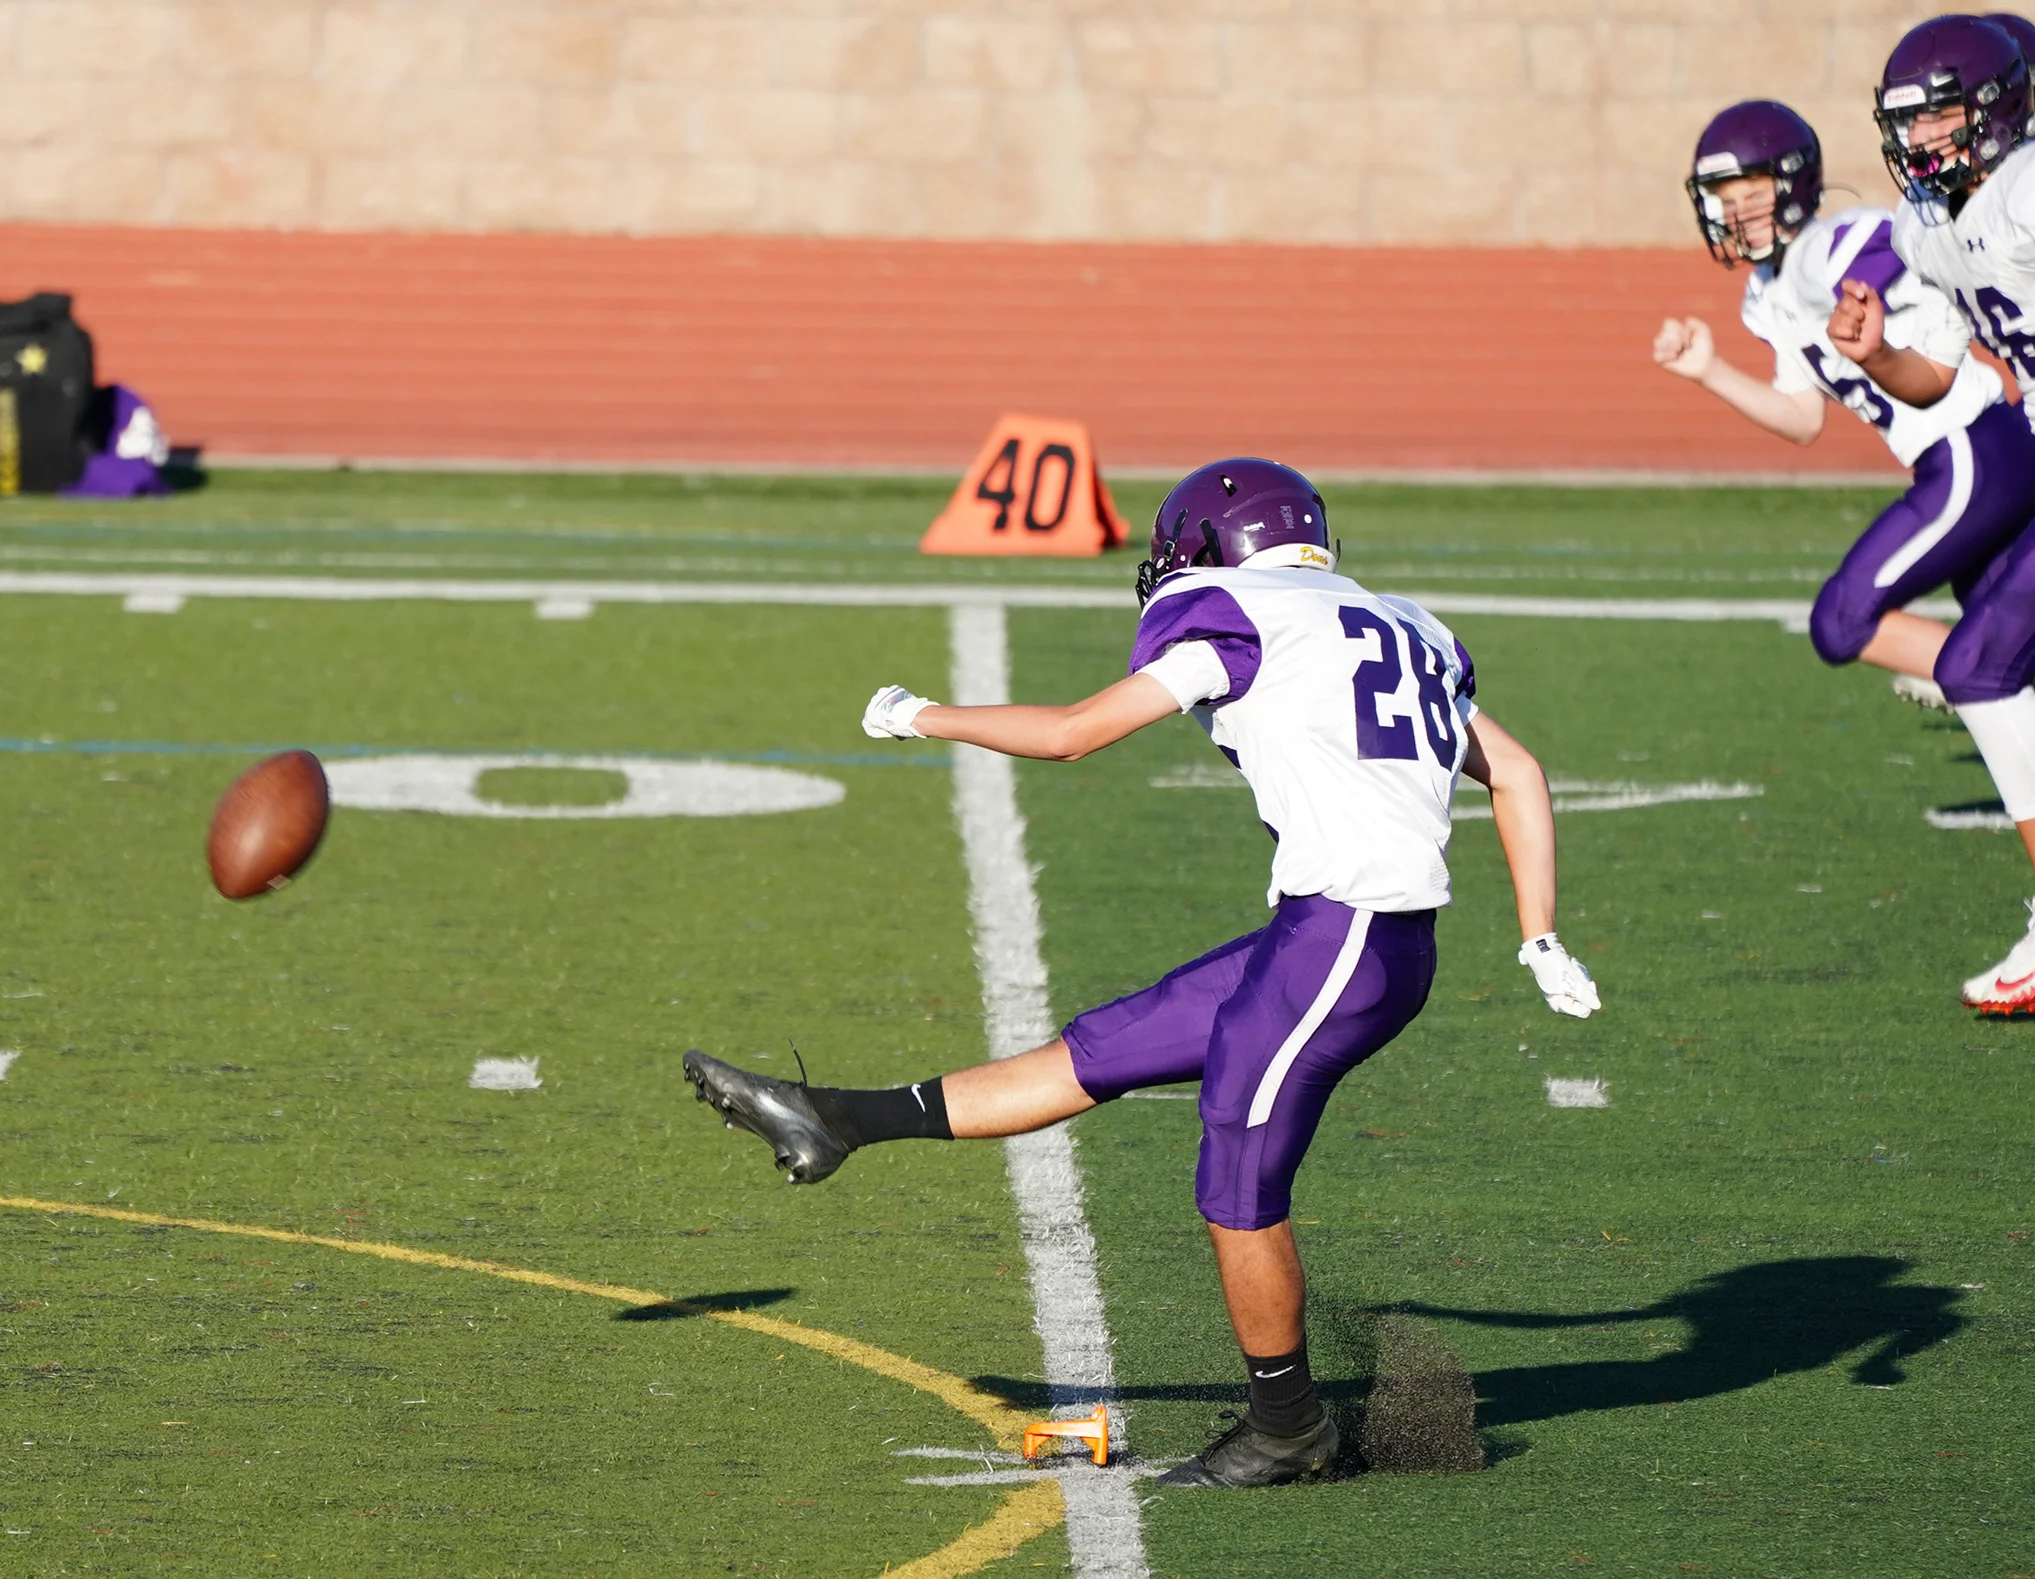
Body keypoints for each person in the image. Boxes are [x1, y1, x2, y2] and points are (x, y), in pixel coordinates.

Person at [683, 458, 1599, 1489]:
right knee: (1107, 1046)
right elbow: (1517, 769)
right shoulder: (1403, 624)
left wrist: (920, 713)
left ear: (1210, 547)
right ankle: (838, 1118)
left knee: (1237, 1185)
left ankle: (1288, 1429)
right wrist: (1537, 934)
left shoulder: (1240, 620)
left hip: (1342, 940)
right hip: (1350, 937)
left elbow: (1071, 735)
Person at [1653, 100, 2035, 720]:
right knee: (2003, 638)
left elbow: (1893, 248)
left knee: (1842, 620)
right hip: (1964, 460)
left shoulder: (1829, 247)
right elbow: (1802, 420)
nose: (1736, 213)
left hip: (1972, 449)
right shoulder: (1765, 294)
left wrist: (1874, 291)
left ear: (1792, 183)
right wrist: (1710, 371)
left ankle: (1966, 672)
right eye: (1724, 199)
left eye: (1751, 193)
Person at [1830, 14, 2035, 1013]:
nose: (1917, 139)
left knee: (1980, 665)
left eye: (1938, 117)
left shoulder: (2026, 187)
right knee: (1982, 663)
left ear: (1995, 110)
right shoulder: (1930, 223)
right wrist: (1875, 355)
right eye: (1906, 122)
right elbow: (1937, 378)